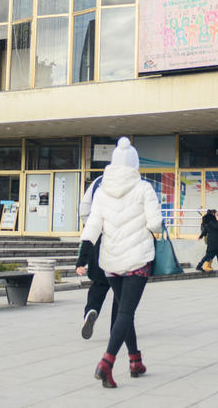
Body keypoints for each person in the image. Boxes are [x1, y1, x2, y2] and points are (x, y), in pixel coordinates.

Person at [77, 137, 162, 388]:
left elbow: (92, 226)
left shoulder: (102, 191)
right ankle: (106, 363)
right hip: (138, 260)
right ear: (135, 164)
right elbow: (155, 223)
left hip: (111, 262)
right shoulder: (144, 188)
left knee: (124, 310)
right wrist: (150, 226)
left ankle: (135, 361)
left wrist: (82, 257)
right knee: (125, 312)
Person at [76, 174, 110, 339]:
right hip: (123, 245)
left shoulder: (99, 182)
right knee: (122, 291)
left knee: (99, 284)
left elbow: (84, 209)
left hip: (98, 240)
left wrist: (81, 261)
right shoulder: (137, 183)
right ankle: (119, 327)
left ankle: (91, 309)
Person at [196, 209, 218, 275]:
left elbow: (205, 231)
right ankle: (199, 266)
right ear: (214, 214)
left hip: (215, 242)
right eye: (217, 214)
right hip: (214, 243)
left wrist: (201, 236)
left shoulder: (210, 222)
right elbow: (217, 226)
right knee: (208, 255)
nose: (217, 215)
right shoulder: (213, 222)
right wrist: (217, 219)